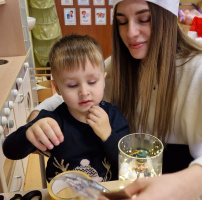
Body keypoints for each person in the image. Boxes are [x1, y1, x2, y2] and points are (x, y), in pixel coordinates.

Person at [27, 0, 202, 200]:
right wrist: (39, 117)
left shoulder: (201, 69)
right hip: (125, 185)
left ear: (167, 18)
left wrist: (182, 184)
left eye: (144, 19)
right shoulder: (120, 67)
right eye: (122, 22)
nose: (131, 33)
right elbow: (67, 95)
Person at [3, 34, 130, 182]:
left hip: (105, 195)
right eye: (72, 85)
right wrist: (29, 132)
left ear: (103, 81)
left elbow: (126, 165)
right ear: (57, 88)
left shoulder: (113, 116)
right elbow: (10, 150)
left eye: (92, 81)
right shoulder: (51, 120)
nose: (84, 92)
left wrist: (108, 135)